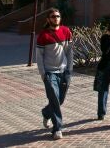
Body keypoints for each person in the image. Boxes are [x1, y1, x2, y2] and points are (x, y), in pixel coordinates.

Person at [36, 8, 73, 140]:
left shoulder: (66, 31)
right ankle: (57, 129)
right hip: (49, 73)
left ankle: (46, 113)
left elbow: (69, 52)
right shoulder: (43, 36)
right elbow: (39, 57)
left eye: (57, 16)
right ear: (48, 19)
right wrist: (43, 73)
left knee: (60, 100)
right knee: (55, 101)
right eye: (52, 16)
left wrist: (69, 70)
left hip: (64, 72)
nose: (55, 18)